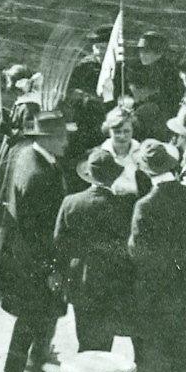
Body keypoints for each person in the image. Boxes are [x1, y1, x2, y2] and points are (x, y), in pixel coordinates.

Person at [0, 109, 69, 372]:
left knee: (36, 319)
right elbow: (37, 230)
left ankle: (27, 366)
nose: (66, 142)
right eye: (61, 137)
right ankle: (20, 369)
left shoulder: (30, 155)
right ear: (47, 138)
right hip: (36, 263)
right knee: (34, 320)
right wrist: (50, 269)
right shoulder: (38, 175)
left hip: (26, 259)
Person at [129, 139, 186, 372]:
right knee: (180, 357)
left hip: (154, 293)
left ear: (146, 170)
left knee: (151, 357)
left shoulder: (145, 206)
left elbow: (138, 252)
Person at [54, 145, 135, 357]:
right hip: (112, 283)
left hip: (79, 279)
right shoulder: (124, 207)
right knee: (104, 344)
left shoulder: (70, 202)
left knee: (85, 337)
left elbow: (59, 244)